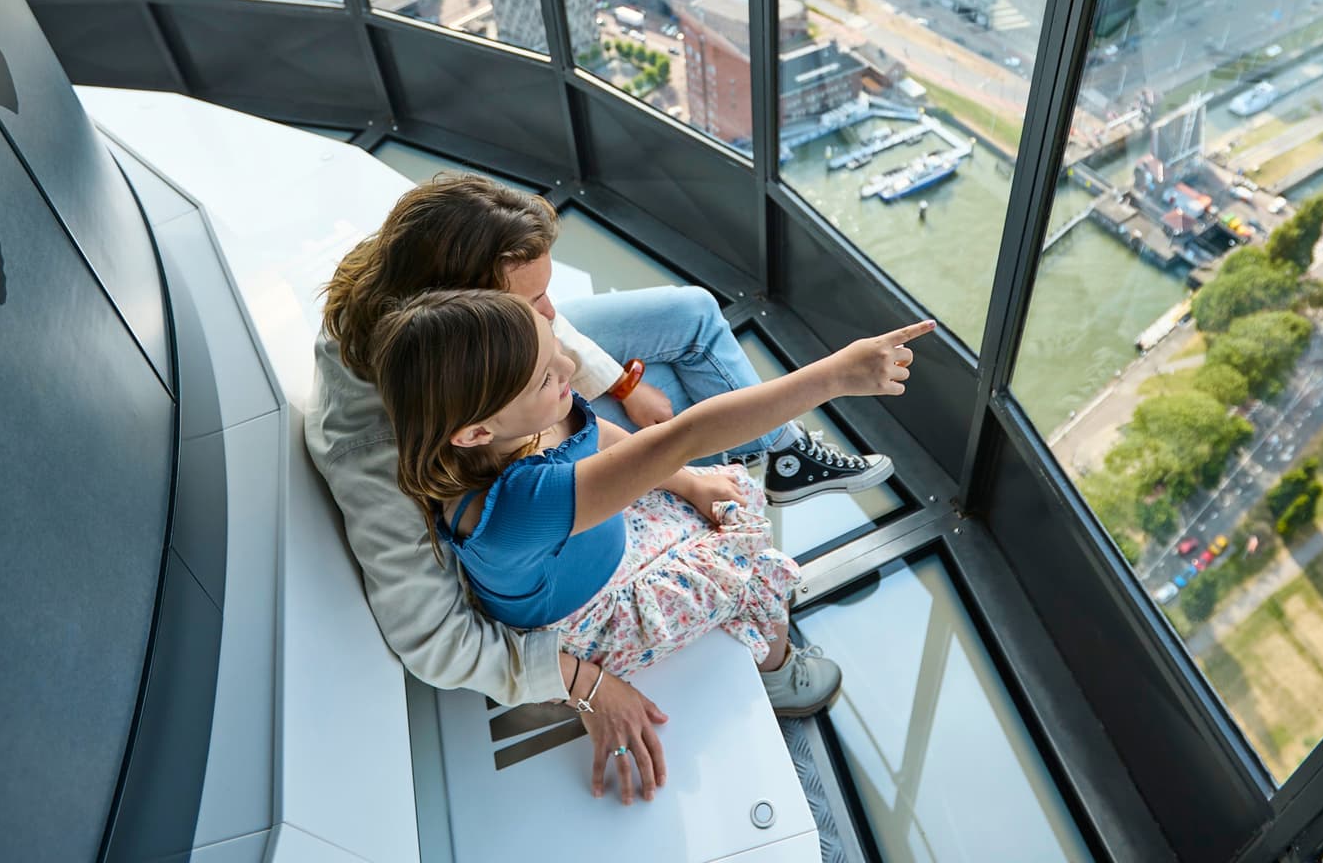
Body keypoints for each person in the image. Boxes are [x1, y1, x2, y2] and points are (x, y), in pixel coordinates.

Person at [304, 175, 897, 804]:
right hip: (574, 598)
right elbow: (436, 641)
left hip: (559, 517)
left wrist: (623, 390)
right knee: (739, 560)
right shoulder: (392, 458)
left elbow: (584, 409)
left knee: (692, 320)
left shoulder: (428, 306)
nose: (557, 328)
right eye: (533, 307)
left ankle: (780, 456)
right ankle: (776, 665)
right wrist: (585, 684)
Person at [366, 290, 929, 763]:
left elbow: (591, 433)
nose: (568, 370)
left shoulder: (509, 428)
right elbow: (685, 436)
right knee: (748, 564)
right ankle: (778, 670)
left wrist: (685, 482)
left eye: (554, 348)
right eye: (545, 378)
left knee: (712, 493)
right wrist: (834, 376)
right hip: (591, 619)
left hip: (592, 546)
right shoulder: (520, 505)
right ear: (475, 432)